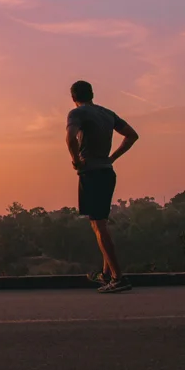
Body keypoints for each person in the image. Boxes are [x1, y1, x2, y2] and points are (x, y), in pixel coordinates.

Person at [65, 80, 139, 294]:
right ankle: (106, 274)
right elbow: (132, 135)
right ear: (92, 94)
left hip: (92, 173)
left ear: (73, 97)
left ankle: (118, 277)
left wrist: (77, 161)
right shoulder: (107, 113)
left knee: (99, 226)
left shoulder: (76, 114)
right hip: (107, 172)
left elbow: (70, 138)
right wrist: (112, 157)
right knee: (101, 223)